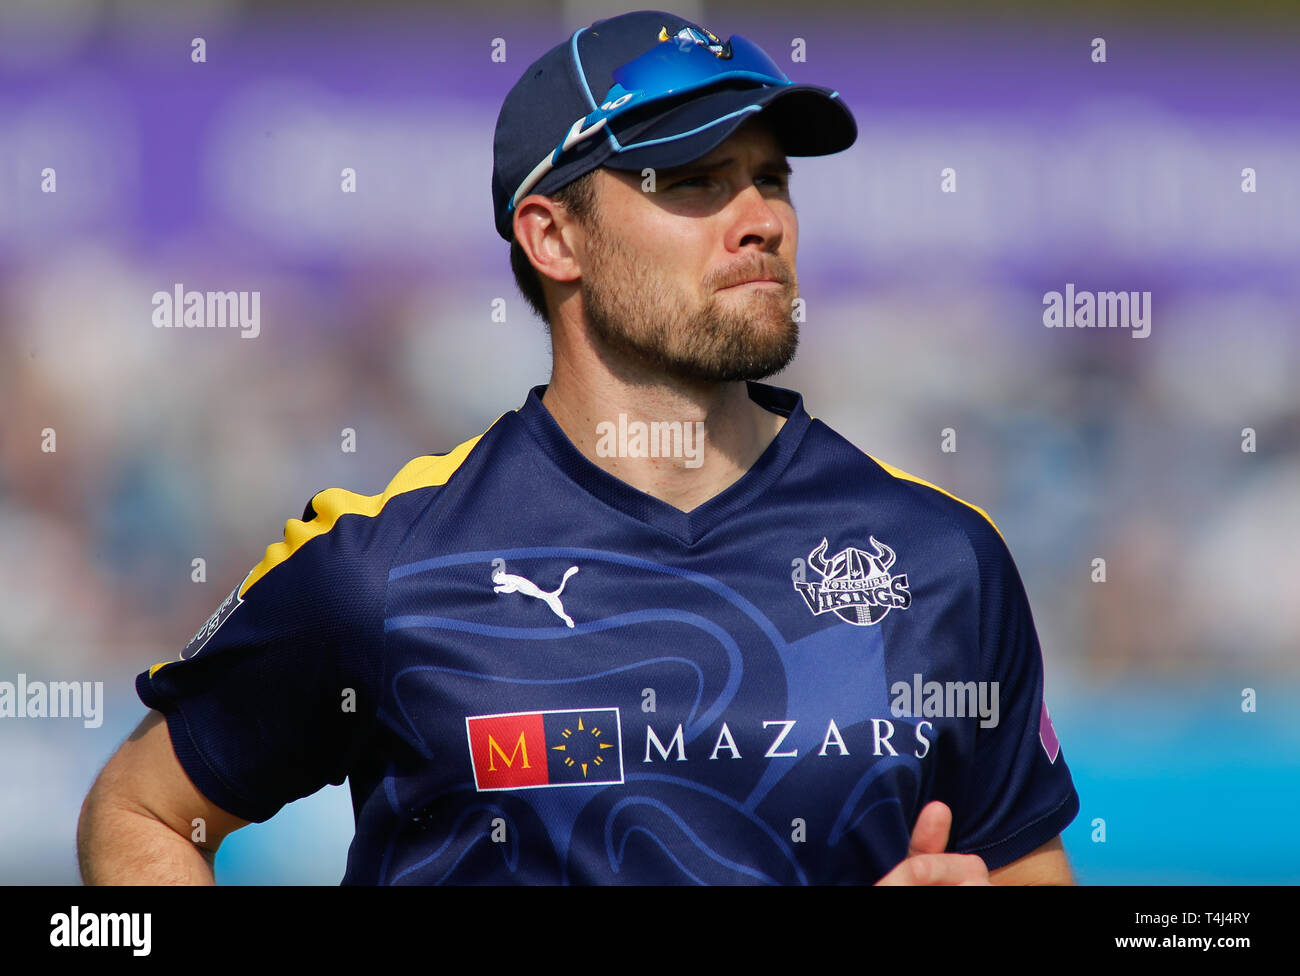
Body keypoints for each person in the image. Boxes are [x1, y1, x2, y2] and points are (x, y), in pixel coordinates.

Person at [78, 9, 1078, 885]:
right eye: (693, 181)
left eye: (770, 177)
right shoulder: (380, 564)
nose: (760, 220)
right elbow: (142, 811)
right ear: (552, 237)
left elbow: (1024, 867)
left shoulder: (942, 556)